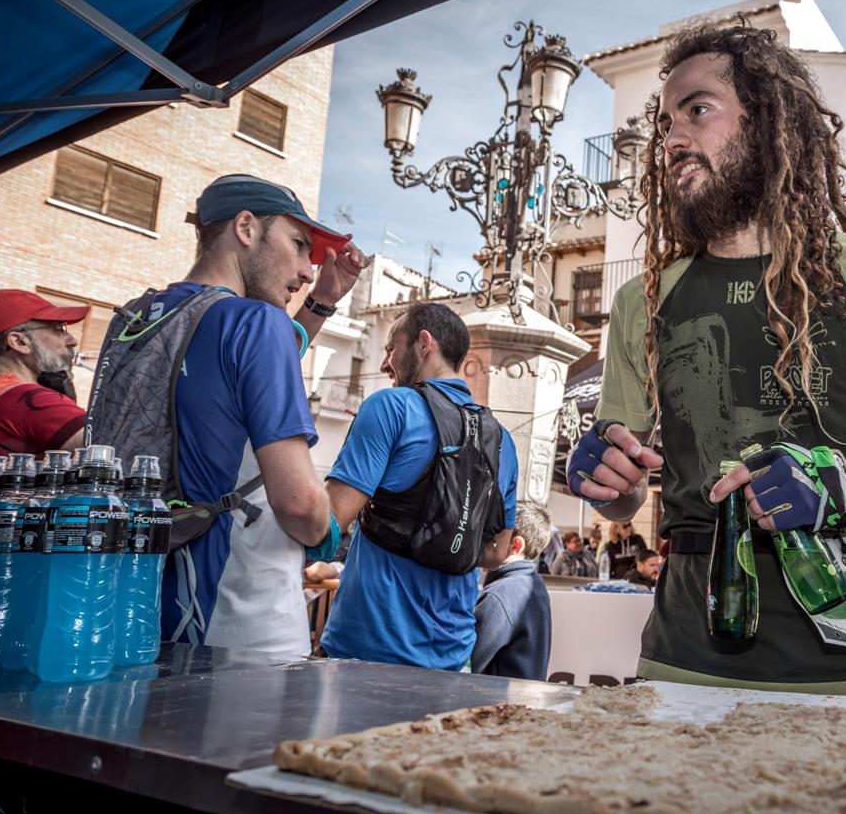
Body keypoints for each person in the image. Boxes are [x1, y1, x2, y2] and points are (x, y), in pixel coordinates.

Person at [567, 24, 846, 696]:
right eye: (664, 123)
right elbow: (629, 497)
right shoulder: (641, 302)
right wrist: (611, 485)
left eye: (697, 110)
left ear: (767, 121)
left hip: (845, 670)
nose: (671, 139)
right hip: (681, 660)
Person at [139, 174, 365, 654]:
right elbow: (301, 504)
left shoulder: (141, 317)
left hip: (145, 600)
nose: (307, 270)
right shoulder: (254, 323)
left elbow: (251, 360)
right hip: (241, 618)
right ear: (246, 228)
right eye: (300, 245)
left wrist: (322, 301)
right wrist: (325, 534)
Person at [321, 303, 518, 670]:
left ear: (424, 343)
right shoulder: (503, 440)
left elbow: (330, 521)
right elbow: (495, 554)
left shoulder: (390, 406)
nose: (384, 364)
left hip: (368, 648)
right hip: (454, 653)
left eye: (391, 348)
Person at [0, 289, 90, 459]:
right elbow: (114, 454)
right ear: (19, 342)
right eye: (59, 329)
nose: (72, 340)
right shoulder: (32, 402)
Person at [473, 502, 553, 679]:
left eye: (492, 534)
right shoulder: (534, 583)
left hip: (494, 702)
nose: (482, 540)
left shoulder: (501, 594)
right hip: (518, 700)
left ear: (515, 545)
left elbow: (470, 663)